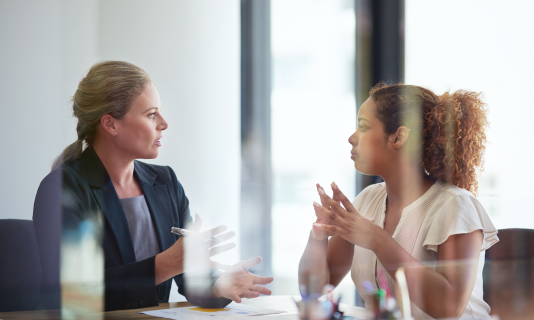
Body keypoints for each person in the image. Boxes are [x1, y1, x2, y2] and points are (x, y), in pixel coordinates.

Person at [33, 61, 272, 311]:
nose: (164, 123)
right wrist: (165, 265)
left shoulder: (165, 182)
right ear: (110, 124)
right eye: (151, 114)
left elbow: (189, 276)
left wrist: (218, 284)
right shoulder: (62, 189)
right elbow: (74, 293)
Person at [298, 83, 498, 320]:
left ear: (398, 137)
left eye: (363, 127)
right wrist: (318, 235)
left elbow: (449, 307)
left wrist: (377, 240)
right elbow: (314, 290)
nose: (352, 138)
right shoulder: (368, 200)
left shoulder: (456, 206)